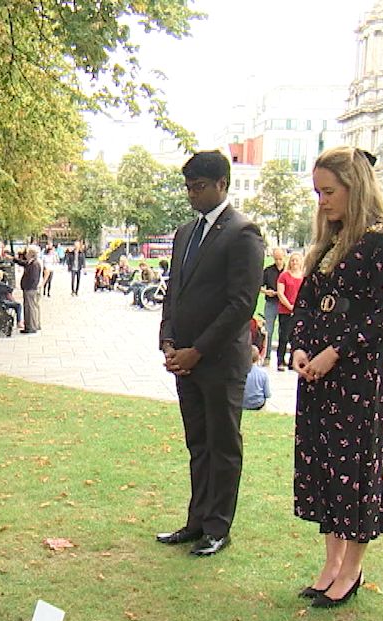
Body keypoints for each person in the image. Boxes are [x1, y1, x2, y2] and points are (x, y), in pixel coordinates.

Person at [290, 146, 383, 609]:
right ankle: (331, 563)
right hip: (319, 379)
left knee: (354, 470)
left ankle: (351, 569)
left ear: (355, 188)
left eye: (329, 191)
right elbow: (305, 304)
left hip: (358, 379)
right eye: (318, 192)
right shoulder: (328, 242)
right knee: (325, 467)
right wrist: (300, 347)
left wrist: (334, 353)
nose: (322, 201)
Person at [155, 150, 266, 558]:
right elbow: (175, 291)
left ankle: (218, 527)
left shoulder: (243, 233)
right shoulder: (185, 233)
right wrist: (168, 340)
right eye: (187, 187)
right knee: (198, 444)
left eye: (199, 187)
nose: (192, 195)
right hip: (185, 361)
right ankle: (197, 521)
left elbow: (241, 305)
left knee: (222, 446)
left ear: (222, 184)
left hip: (219, 363)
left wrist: (198, 351)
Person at [274, 252, 303, 370]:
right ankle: (280, 361)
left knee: (296, 336)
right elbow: (280, 293)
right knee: (284, 336)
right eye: (292, 260)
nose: (294, 262)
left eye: (297, 260)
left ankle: (293, 361)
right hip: (285, 311)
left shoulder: (303, 276)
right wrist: (290, 306)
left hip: (298, 311)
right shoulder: (284, 276)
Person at [259, 247, 287, 368]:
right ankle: (267, 356)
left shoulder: (287, 271)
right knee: (269, 330)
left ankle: (281, 359)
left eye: (280, 259)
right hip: (271, 302)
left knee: (283, 331)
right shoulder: (268, 271)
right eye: (276, 259)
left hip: (284, 303)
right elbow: (259, 286)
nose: (278, 261)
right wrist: (266, 292)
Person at [13, 245, 43, 333]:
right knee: (31, 307)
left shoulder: (34, 264)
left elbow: (33, 278)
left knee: (30, 308)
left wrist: (28, 287)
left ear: (31, 254)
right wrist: (14, 259)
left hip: (30, 289)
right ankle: (33, 325)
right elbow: (23, 263)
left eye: (27, 253)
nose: (26, 254)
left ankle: (31, 327)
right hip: (29, 288)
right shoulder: (31, 263)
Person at [243, 343, 271, 410]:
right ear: (258, 358)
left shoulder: (241, 372)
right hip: (258, 403)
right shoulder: (263, 373)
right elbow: (267, 394)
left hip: (243, 403)